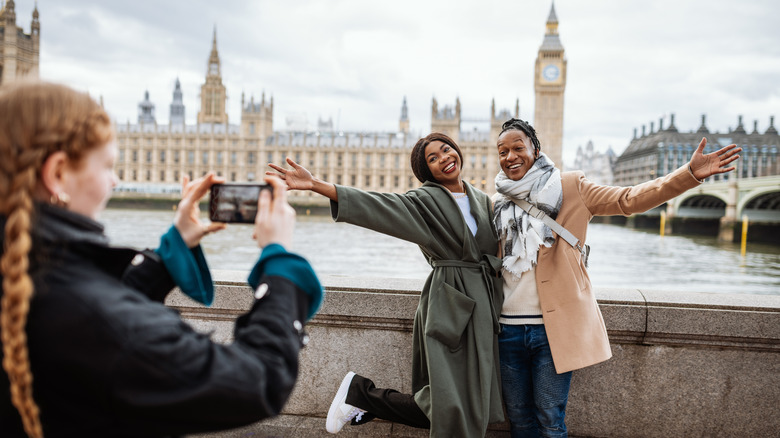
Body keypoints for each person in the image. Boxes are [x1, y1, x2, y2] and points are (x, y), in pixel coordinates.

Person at [0, 81, 323, 437]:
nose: (116, 181)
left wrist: (170, 253)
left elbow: (90, 305)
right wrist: (280, 261)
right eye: (108, 166)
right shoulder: (93, 318)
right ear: (58, 173)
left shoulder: (31, 273)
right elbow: (257, 380)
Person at [491, 118, 741, 438]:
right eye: (502, 151)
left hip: (553, 330)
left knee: (550, 419)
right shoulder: (497, 201)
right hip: (508, 328)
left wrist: (688, 174)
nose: (510, 156)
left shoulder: (570, 187)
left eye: (517, 148)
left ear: (535, 150)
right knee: (519, 419)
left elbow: (629, 199)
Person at [268, 132, 505, 437]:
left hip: (483, 308)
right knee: (449, 401)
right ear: (426, 171)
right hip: (450, 303)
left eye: (446, 150)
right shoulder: (425, 201)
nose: (444, 159)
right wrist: (316, 186)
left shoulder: (482, 199)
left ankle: (361, 398)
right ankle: (362, 396)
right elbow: (378, 205)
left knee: (473, 400)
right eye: (433, 158)